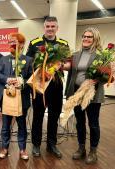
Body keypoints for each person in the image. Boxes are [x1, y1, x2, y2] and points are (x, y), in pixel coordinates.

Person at [26, 16, 69, 158]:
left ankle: (52, 144)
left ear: (57, 28)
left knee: (54, 116)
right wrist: (40, 68)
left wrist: (59, 66)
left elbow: (67, 63)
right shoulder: (34, 43)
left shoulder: (63, 44)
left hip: (56, 86)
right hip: (40, 86)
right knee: (37, 116)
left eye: (53, 26)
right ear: (44, 27)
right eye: (48, 26)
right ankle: (36, 145)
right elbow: (28, 63)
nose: (50, 29)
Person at [64, 27, 104, 164]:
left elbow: (107, 76)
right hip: (77, 92)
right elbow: (71, 74)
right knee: (80, 122)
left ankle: (93, 151)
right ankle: (81, 148)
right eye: (84, 36)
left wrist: (98, 79)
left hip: (92, 94)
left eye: (89, 37)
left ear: (95, 39)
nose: (86, 39)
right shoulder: (75, 55)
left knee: (93, 124)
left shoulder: (101, 56)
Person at [0, 32, 32, 160]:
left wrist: (21, 81)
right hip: (6, 98)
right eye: (9, 41)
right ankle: (4, 148)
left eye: (14, 41)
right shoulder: (3, 59)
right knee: (5, 126)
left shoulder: (28, 60)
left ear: (21, 44)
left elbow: (30, 79)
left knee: (22, 125)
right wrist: (8, 79)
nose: (11, 43)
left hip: (22, 99)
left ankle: (22, 149)